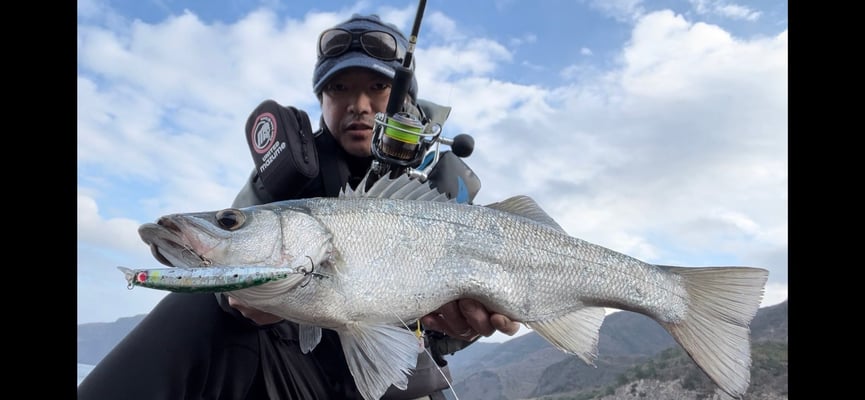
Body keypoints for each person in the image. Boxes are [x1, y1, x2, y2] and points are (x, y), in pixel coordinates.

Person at [78, 13, 519, 400]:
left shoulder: (446, 186)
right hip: (295, 371)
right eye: (338, 88)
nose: (358, 105)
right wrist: (234, 300)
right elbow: (233, 272)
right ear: (321, 101)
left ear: (404, 95)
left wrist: (454, 328)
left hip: (398, 383)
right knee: (199, 304)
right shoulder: (285, 177)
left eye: (378, 87)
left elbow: (465, 329)